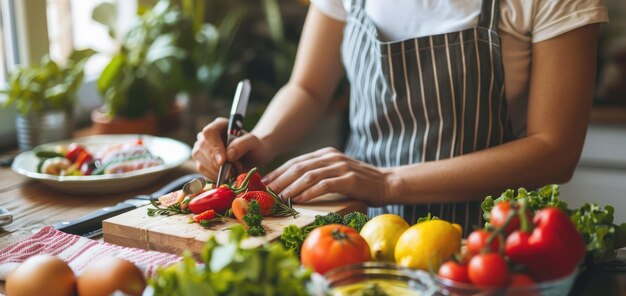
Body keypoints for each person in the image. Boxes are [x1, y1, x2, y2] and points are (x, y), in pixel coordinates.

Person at [192, 0, 608, 230]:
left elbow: (555, 150)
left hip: (484, 247)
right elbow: (310, 88)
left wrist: (386, 182)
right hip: (352, 236)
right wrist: (260, 141)